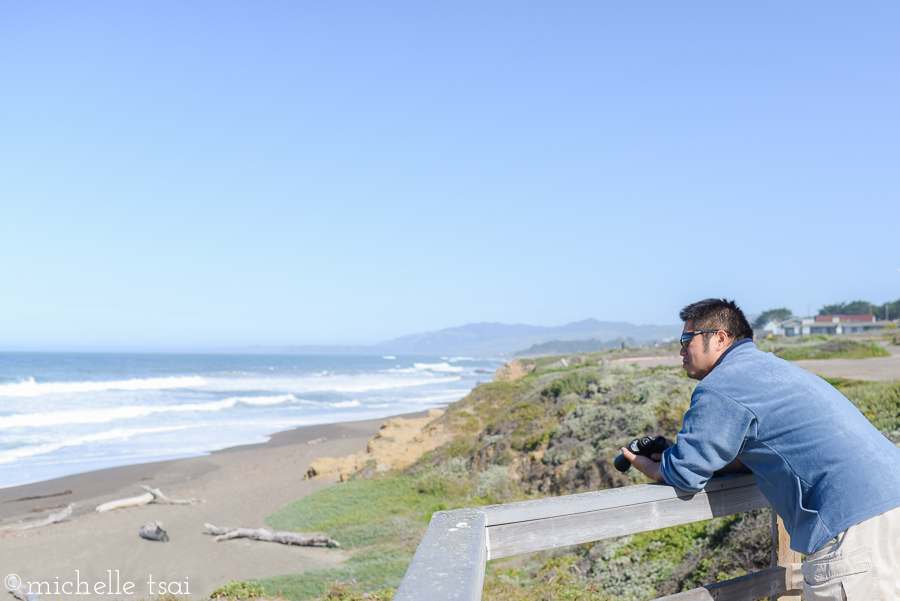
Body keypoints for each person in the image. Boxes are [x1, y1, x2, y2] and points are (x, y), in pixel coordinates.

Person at [621, 298, 900, 601]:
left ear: (719, 338)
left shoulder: (720, 384)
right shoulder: (770, 367)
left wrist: (651, 467)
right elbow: (766, 448)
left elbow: (685, 474)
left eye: (687, 339)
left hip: (851, 527)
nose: (681, 350)